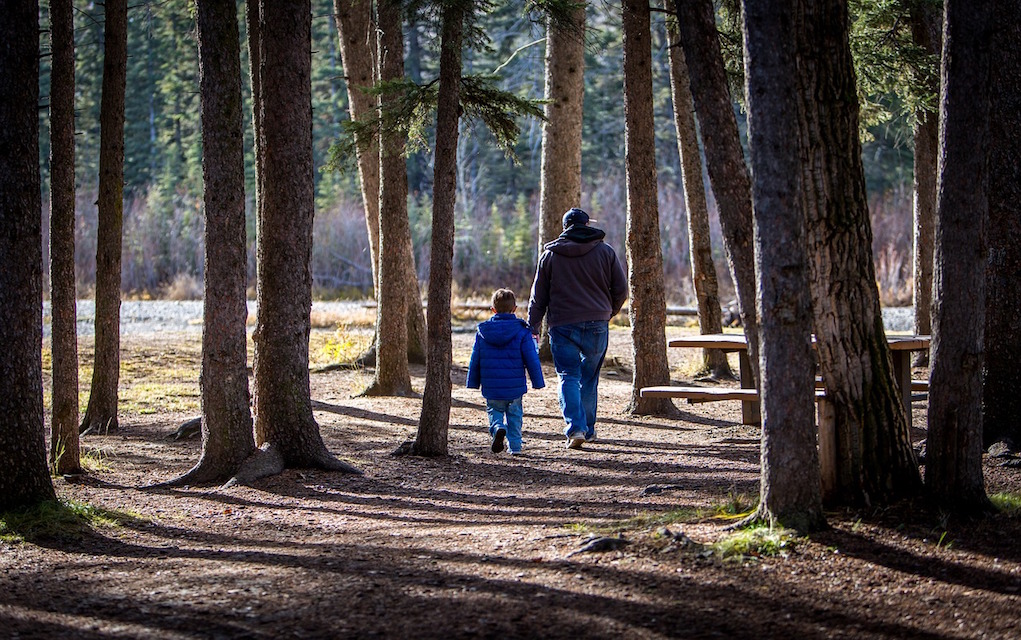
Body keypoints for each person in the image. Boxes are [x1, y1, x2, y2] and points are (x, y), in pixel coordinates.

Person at [527, 208, 628, 450]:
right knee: (589, 378)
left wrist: (533, 325)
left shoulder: (550, 256)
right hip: (597, 323)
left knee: (568, 376)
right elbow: (621, 289)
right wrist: (608, 312)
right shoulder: (605, 252)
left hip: (562, 324)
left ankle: (576, 429)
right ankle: (589, 430)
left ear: (565, 227)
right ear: (586, 225)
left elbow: (537, 296)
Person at [466, 288, 545, 455]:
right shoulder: (523, 331)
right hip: (514, 386)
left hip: (491, 385)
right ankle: (515, 447)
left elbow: (476, 358)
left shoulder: (483, 332)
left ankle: (497, 428)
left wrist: (472, 382)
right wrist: (537, 381)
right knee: (515, 415)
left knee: (494, 410)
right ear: (514, 309)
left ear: (493, 310)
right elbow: (531, 358)